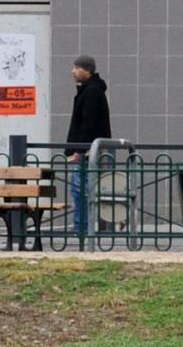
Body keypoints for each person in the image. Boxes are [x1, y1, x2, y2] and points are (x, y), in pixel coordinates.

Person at [63, 55, 113, 236]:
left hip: (87, 151)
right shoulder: (90, 90)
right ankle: (82, 226)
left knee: (80, 189)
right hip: (90, 149)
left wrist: (79, 150)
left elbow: (88, 123)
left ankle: (81, 228)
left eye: (77, 68)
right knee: (84, 189)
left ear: (87, 70)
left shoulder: (91, 92)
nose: (73, 71)